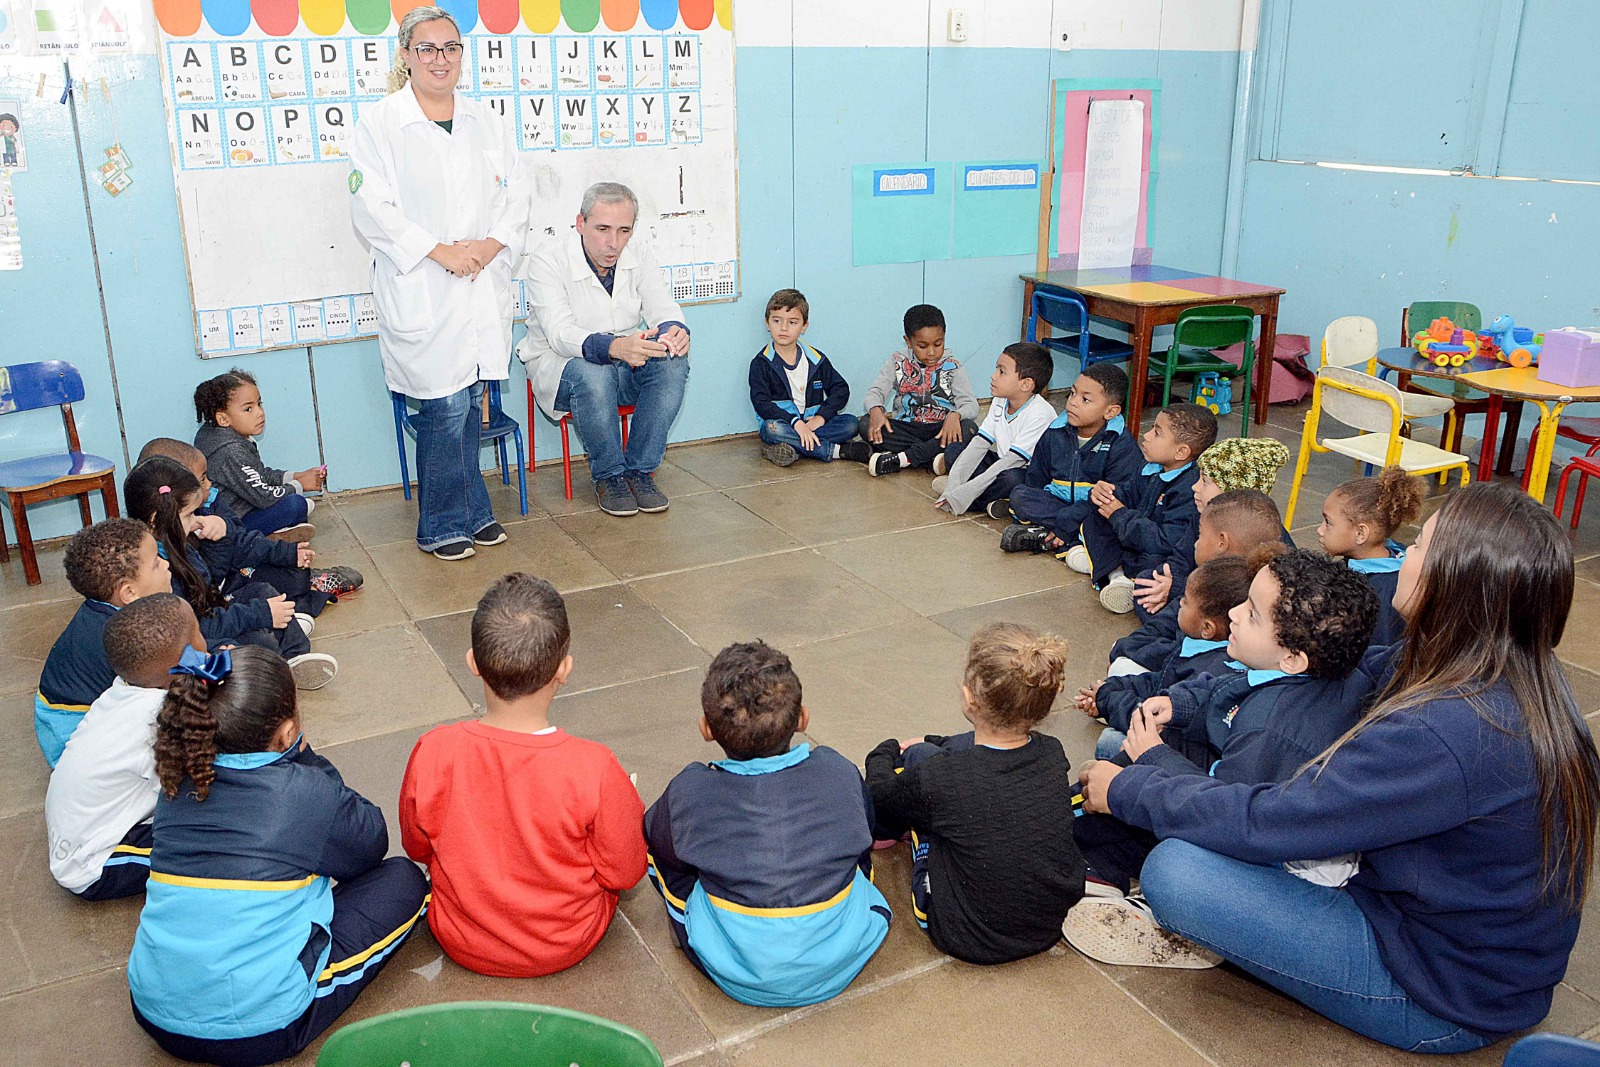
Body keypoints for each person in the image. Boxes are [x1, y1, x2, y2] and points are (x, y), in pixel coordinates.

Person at [1080, 483, 1599, 1052]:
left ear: (1453, 583)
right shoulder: (1488, 662)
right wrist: (1184, 707)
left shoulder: (1449, 728)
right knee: (1140, 768)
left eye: (1416, 546)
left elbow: (1271, 822)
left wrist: (1134, 787)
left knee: (1179, 872)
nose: (1401, 554)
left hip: (1440, 992)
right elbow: (1334, 670)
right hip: (1453, 944)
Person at [127, 646, 429, 1066]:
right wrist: (305, 758)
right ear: (286, 732)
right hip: (262, 1030)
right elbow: (370, 843)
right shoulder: (303, 792)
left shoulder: (176, 782)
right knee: (404, 880)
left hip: (152, 1010)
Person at [1065, 546, 1378, 940]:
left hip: (1253, 851)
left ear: (1293, 658)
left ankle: (1105, 869)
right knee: (1122, 763)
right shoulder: (1303, 674)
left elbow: (1221, 814)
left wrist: (1154, 757)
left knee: (1121, 786)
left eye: (1252, 614)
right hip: (1230, 788)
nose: (1234, 613)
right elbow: (1228, 687)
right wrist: (1178, 705)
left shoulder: (1270, 731)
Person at [400, 574, 646, 977]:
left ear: (472, 663)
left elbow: (418, 847)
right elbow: (625, 871)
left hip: (460, 938)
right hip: (565, 942)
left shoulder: (433, 750)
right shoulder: (594, 766)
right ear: (564, 669)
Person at [349, 5, 525, 561]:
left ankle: (473, 511)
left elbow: (516, 194)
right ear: (406, 56)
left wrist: (491, 245)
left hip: (479, 281)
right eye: (426, 48)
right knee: (444, 408)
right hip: (424, 283)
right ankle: (441, 525)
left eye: (450, 47)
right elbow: (371, 208)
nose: (440, 59)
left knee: (469, 403)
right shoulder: (379, 124)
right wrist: (440, 251)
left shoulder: (487, 120)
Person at [644, 641, 890, 1007]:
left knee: (660, 852)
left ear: (706, 729)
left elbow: (655, 837)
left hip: (737, 973)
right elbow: (866, 829)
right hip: (842, 958)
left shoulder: (690, 789)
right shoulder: (837, 770)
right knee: (854, 846)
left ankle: (697, 923)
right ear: (803, 719)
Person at [864, 623, 1084, 964]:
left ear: (970, 698)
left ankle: (887, 834)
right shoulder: (1052, 752)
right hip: (1046, 926)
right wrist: (933, 743)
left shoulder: (944, 777)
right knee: (932, 761)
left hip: (965, 934)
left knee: (917, 789)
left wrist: (884, 751)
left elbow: (881, 794)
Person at [521, 181, 690, 517]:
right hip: (563, 370)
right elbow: (559, 334)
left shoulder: (639, 253)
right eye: (603, 229)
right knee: (594, 374)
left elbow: (662, 306)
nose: (614, 242)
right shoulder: (547, 260)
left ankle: (639, 472)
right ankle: (609, 476)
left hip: (625, 364)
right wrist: (615, 347)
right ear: (580, 223)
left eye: (624, 230)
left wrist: (675, 330)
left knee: (672, 361)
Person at [123, 458, 338, 690]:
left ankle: (297, 657)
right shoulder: (156, 575)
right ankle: (278, 663)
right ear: (157, 519)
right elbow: (199, 629)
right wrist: (260, 615)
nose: (195, 521)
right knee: (257, 639)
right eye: (189, 515)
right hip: (199, 637)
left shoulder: (176, 541)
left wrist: (222, 536)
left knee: (263, 591)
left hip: (212, 613)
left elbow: (213, 579)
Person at [45, 595, 202, 900]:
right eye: (197, 632)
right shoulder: (159, 721)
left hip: (81, 831)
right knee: (214, 839)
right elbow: (189, 791)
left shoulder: (124, 689)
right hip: (93, 865)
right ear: (188, 658)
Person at [137, 437, 363, 610]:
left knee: (291, 575)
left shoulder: (211, 500)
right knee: (264, 592)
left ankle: (302, 590)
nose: (209, 484)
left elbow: (242, 540)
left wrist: (286, 553)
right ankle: (298, 606)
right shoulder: (159, 548)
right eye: (202, 479)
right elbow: (208, 584)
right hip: (218, 596)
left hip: (235, 571)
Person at [1079, 554, 1253, 760]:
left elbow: (1156, 722)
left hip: (1177, 752)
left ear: (1207, 628)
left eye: (1185, 601)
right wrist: (1111, 688)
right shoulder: (1201, 645)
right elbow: (1157, 682)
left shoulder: (1208, 670)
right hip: (1167, 729)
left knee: (1110, 742)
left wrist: (1108, 700)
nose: (1179, 603)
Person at [35, 518, 172, 766]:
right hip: (72, 733)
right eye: (156, 564)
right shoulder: (123, 637)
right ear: (129, 593)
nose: (166, 564)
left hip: (72, 715)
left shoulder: (112, 610)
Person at [1108, 489, 1288, 677]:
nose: (1195, 543)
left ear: (1222, 542)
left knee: (1122, 667)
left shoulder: (1213, 588)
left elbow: (1175, 649)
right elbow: (1164, 623)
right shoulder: (1250, 579)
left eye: (1200, 535)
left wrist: (1124, 649)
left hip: (1191, 672)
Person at [1131, 435, 1293, 617]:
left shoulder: (1265, 535)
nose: (1195, 487)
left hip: (1230, 606)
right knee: (1147, 583)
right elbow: (1182, 557)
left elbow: (1240, 592)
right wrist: (1169, 580)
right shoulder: (1201, 513)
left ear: (1232, 492)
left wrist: (1178, 588)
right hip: (1195, 586)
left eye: (1205, 481)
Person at [1080, 405, 1218, 614]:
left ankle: (1111, 571)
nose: (1146, 435)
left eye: (1157, 433)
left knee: (1156, 567)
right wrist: (1106, 494)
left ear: (1181, 452)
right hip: (1135, 536)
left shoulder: (1190, 489)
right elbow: (1129, 493)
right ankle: (1116, 576)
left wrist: (1120, 515)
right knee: (1094, 520)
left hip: (1155, 551)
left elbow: (1166, 542)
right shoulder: (1150, 467)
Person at [1001, 363, 1142, 558]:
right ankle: (1077, 539)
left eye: (1085, 399)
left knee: (1114, 519)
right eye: (1072, 393)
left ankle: (1055, 535)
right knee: (1020, 496)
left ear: (1110, 412)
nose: (1073, 402)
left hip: (1094, 509)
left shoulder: (1121, 444)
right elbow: (1036, 479)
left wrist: (1072, 518)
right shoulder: (1055, 432)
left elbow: (1118, 496)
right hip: (1058, 504)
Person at [192, 369, 325, 541]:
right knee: (296, 504)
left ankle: (274, 534)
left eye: (259, 404)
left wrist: (294, 476)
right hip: (231, 524)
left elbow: (258, 474)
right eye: (248, 408)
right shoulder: (230, 451)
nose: (260, 413)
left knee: (299, 504)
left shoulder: (220, 434)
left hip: (241, 507)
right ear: (223, 419)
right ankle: (258, 541)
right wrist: (299, 485)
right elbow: (263, 497)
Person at [854, 304, 980, 476]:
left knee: (969, 428)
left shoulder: (953, 366)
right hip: (907, 427)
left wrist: (956, 415)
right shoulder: (897, 361)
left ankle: (902, 459)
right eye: (922, 346)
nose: (931, 352)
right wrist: (876, 409)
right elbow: (875, 392)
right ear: (908, 341)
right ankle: (932, 458)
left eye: (938, 344)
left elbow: (971, 405)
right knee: (866, 423)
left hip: (940, 429)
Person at [932, 342, 1056, 516]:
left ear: (1026, 384)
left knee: (1012, 479)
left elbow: (1012, 462)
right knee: (955, 451)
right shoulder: (1001, 399)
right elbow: (980, 444)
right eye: (996, 369)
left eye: (1002, 372)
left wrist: (959, 494)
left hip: (1026, 472)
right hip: (1003, 462)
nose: (993, 376)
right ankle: (989, 499)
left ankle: (969, 499)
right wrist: (952, 486)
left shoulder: (1040, 414)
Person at [748, 288, 859, 467]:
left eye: (792, 322)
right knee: (772, 430)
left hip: (813, 422)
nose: (784, 328)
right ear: (767, 323)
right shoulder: (761, 363)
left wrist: (820, 418)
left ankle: (792, 447)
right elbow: (761, 403)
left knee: (852, 424)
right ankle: (835, 451)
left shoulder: (816, 359)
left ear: (804, 326)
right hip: (784, 424)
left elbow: (841, 390)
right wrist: (796, 423)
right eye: (777, 321)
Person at [1318, 466, 1423, 646]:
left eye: (1328, 523)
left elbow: (1380, 654)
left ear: (1361, 534)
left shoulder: (1384, 595)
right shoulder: (1387, 556)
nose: (1320, 530)